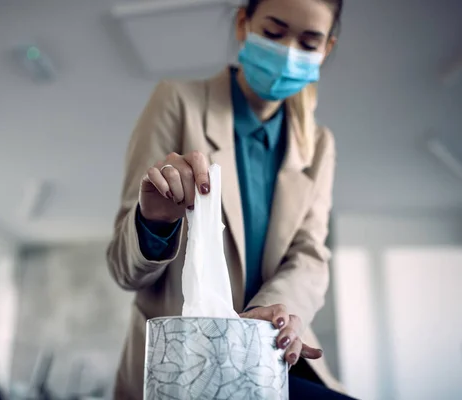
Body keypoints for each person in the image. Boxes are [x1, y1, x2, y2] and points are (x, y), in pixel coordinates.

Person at [107, 0, 355, 398]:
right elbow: (124, 271)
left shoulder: (320, 146)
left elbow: (310, 254)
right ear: (243, 23)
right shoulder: (177, 101)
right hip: (184, 365)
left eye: (308, 43)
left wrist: (272, 312)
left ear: (326, 50)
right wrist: (154, 223)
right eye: (273, 33)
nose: (288, 52)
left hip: (268, 354)